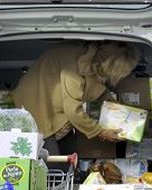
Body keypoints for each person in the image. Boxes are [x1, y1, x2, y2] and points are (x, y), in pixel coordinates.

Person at [12, 40, 141, 154]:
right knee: (52, 163)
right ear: (112, 66)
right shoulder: (74, 67)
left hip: (56, 109)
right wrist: (100, 131)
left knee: (71, 159)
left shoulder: (92, 59)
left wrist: (123, 114)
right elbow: (73, 111)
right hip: (37, 105)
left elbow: (97, 88)